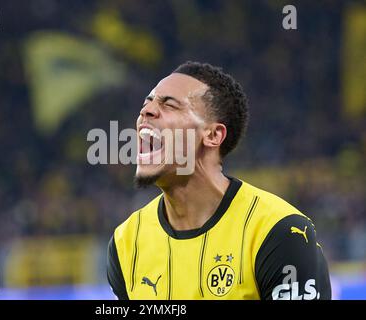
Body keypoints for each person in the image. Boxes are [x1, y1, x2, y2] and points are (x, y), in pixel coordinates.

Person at [107, 61, 331, 300]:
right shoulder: (126, 242)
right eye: (147, 103)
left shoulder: (279, 232)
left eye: (169, 104)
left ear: (213, 135)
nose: (146, 111)